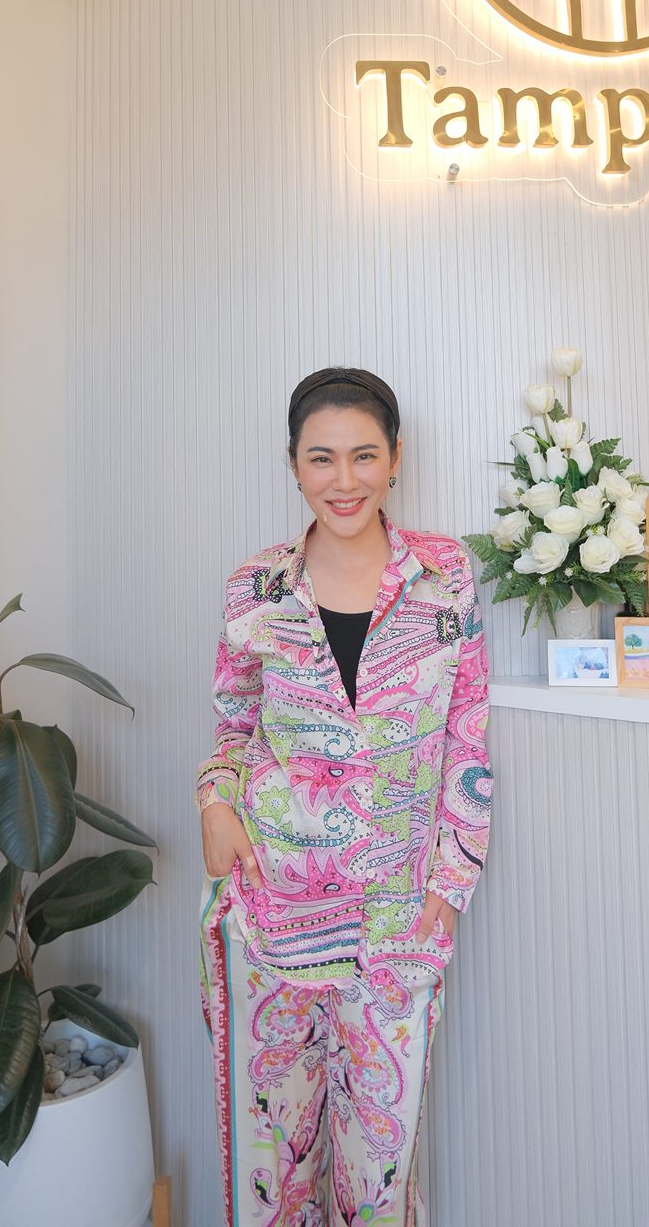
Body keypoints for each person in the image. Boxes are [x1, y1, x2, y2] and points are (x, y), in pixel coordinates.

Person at [196, 366, 493, 1226]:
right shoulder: (255, 586)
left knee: (379, 1180)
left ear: (396, 458)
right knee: (272, 1177)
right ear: (293, 464)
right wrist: (215, 802)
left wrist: (451, 880)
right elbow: (232, 722)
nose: (344, 479)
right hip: (270, 911)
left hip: (398, 920)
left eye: (364, 454)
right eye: (321, 457)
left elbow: (469, 734)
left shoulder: (446, 576)